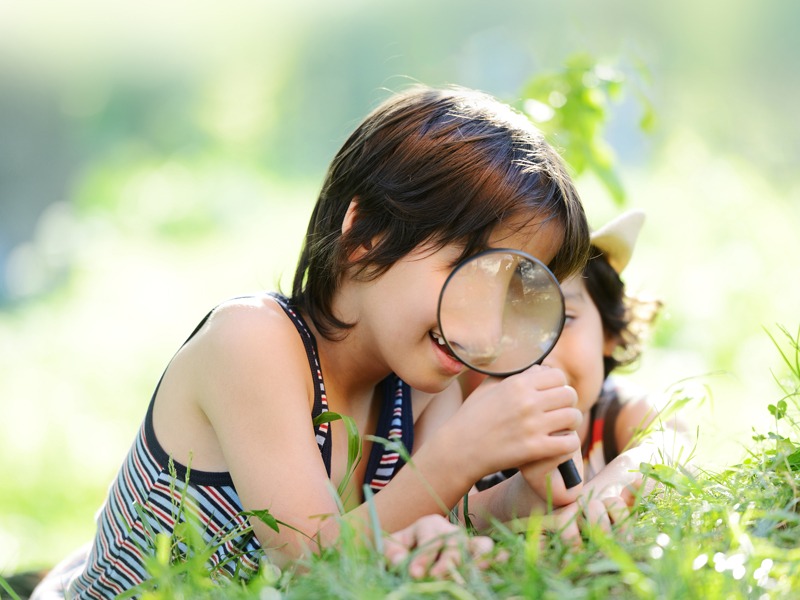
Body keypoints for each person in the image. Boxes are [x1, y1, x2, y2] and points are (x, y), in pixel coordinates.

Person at [35, 85, 591, 598]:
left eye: (512, 291)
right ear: (363, 235)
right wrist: (460, 453)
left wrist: (530, 489)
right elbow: (311, 561)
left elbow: (442, 515)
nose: (489, 330)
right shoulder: (251, 342)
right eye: (468, 272)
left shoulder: (421, 376)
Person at [472, 209, 692, 541]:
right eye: (511, 320)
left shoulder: (615, 410)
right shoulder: (473, 425)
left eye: (566, 317)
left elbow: (671, 438)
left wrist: (610, 486)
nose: (540, 347)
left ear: (608, 332)